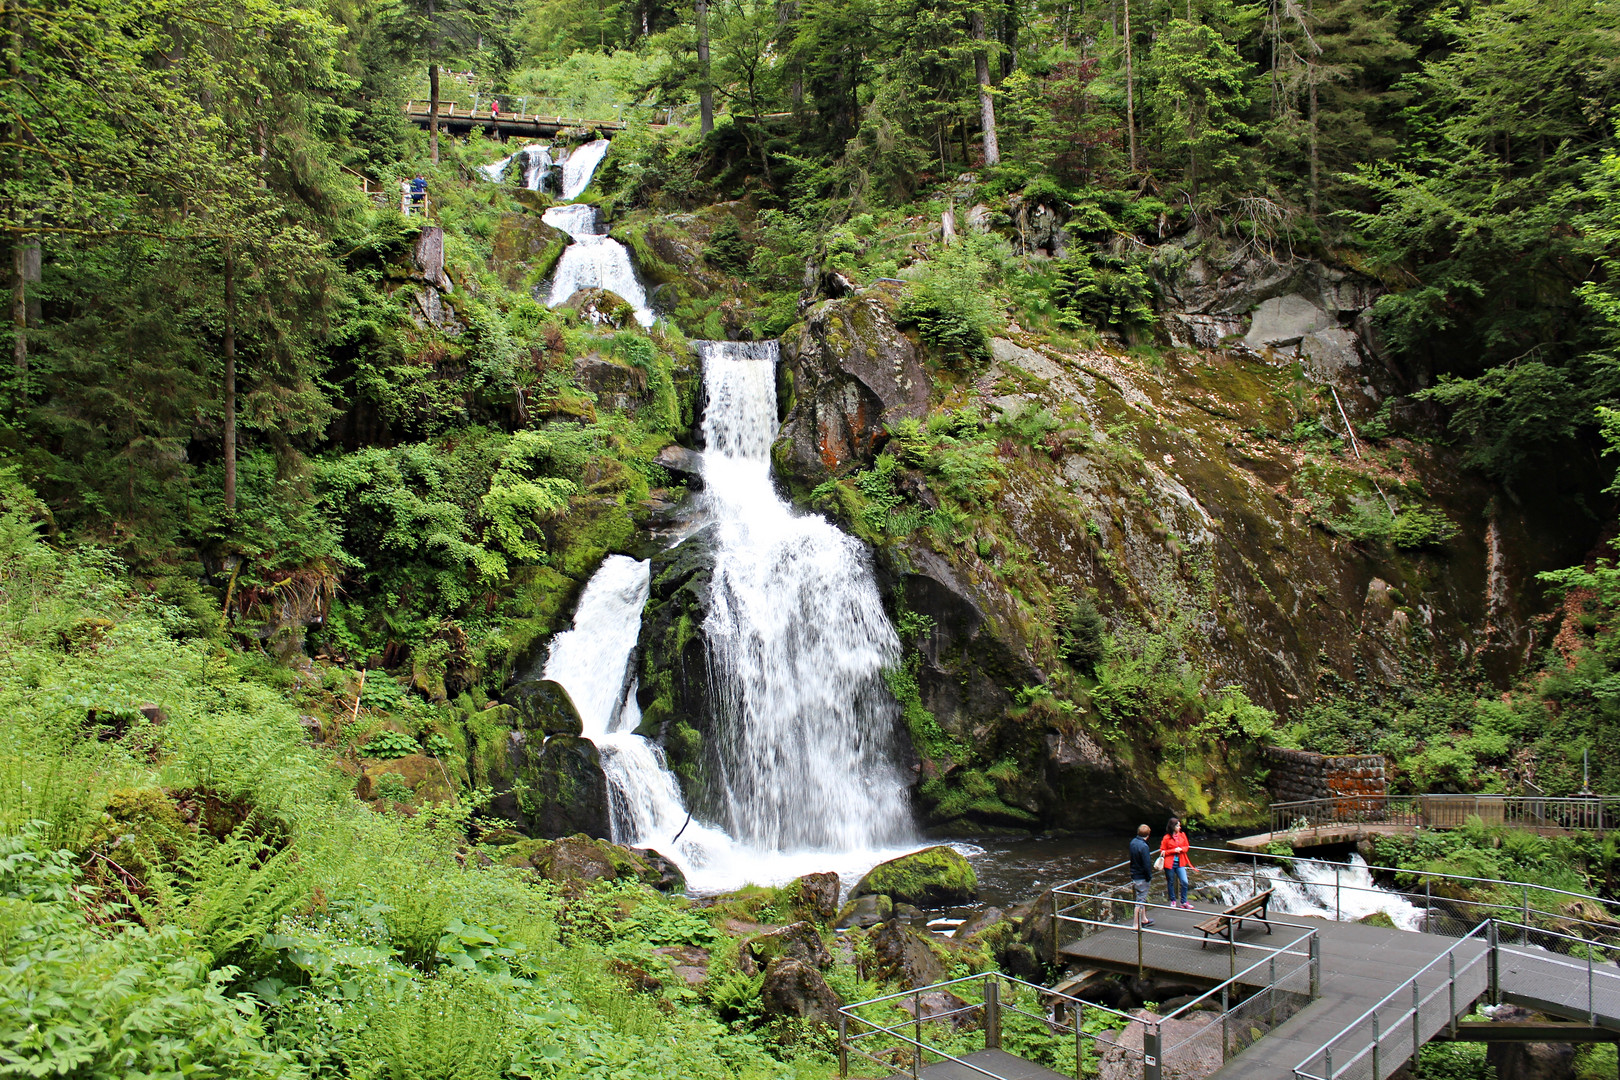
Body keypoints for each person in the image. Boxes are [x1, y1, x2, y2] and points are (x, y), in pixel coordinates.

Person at [1160, 817, 1195, 909]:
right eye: (1178, 826)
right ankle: (1173, 900)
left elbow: (1186, 847)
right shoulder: (1166, 838)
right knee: (1170, 882)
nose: (1179, 827)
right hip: (1169, 863)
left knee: (1184, 881)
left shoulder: (1182, 835)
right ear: (1173, 826)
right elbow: (1163, 851)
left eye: (1179, 826)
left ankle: (1184, 901)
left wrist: (1181, 849)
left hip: (1180, 862)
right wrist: (1173, 850)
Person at [1129, 824, 1155, 927]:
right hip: (1141, 876)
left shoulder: (1133, 842)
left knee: (1141, 897)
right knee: (1140, 900)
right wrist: (1149, 876)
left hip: (1134, 874)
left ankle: (1144, 919)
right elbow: (1146, 864)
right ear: (1148, 835)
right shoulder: (1144, 846)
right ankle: (1136, 925)